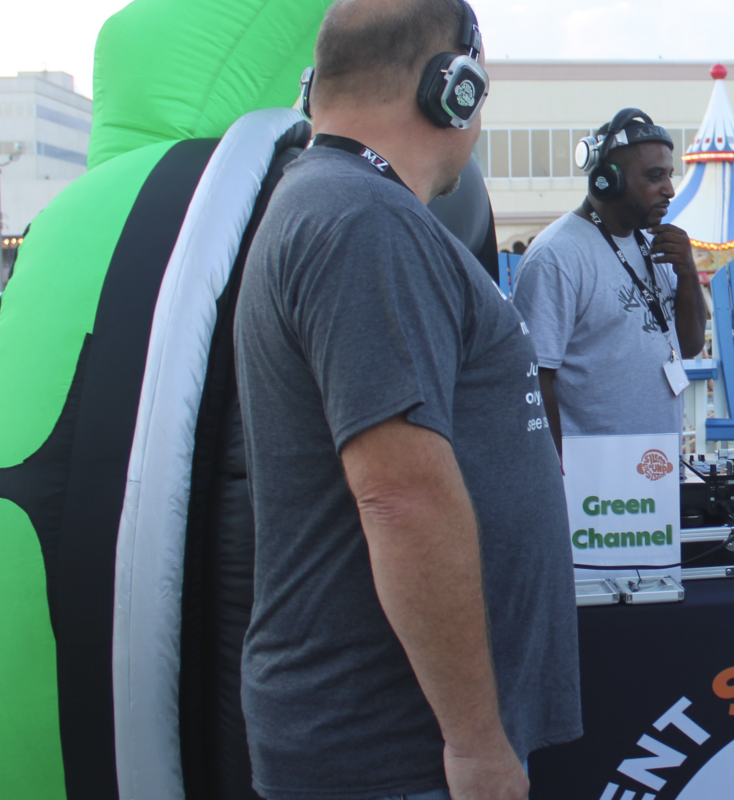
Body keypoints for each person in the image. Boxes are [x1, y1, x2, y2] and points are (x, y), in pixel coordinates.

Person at [233, 2, 580, 799]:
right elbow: (402, 499)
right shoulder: (362, 221)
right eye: (478, 91)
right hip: (398, 748)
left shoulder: (341, 207)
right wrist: (477, 745)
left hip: (396, 738)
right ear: (452, 89)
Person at [512, 108, 707, 450]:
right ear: (607, 180)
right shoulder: (557, 256)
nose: (669, 190)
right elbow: (533, 380)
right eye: (654, 176)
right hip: (594, 482)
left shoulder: (653, 245)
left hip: (656, 469)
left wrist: (688, 274)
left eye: (669, 175)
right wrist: (558, 476)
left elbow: (689, 347)